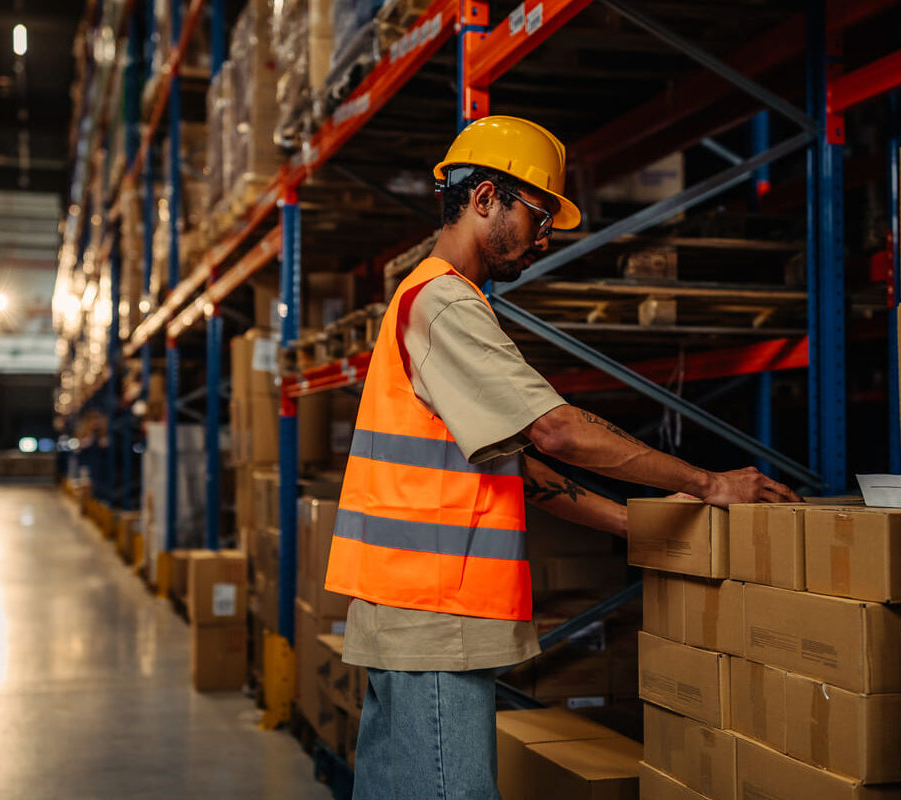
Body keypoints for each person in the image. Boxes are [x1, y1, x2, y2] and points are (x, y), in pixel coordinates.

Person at [323, 115, 800, 799]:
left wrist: (631, 525)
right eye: (539, 215)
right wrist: (710, 483)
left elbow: (514, 464)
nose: (546, 237)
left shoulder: (427, 299)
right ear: (485, 198)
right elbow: (557, 433)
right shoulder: (446, 304)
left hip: (405, 608)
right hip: (436, 613)